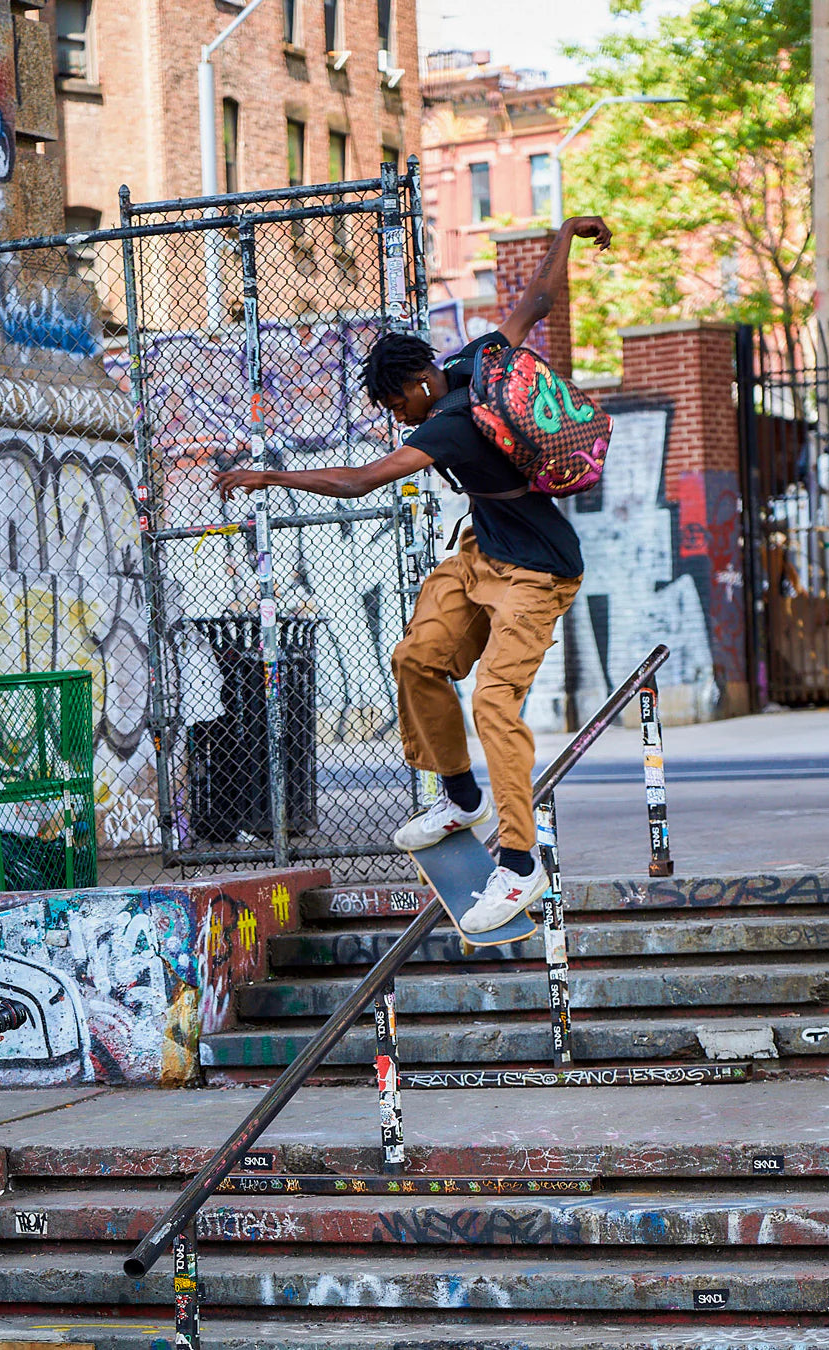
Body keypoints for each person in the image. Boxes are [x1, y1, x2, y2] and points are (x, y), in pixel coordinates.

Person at [215, 214, 612, 932]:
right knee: (417, 659)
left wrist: (270, 475)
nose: (400, 418)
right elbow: (537, 304)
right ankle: (461, 795)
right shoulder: (479, 359)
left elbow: (360, 482)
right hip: (479, 556)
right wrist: (566, 234)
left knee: (494, 701)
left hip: (538, 573)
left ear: (422, 383)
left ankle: (521, 868)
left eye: (399, 403)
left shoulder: (449, 420)